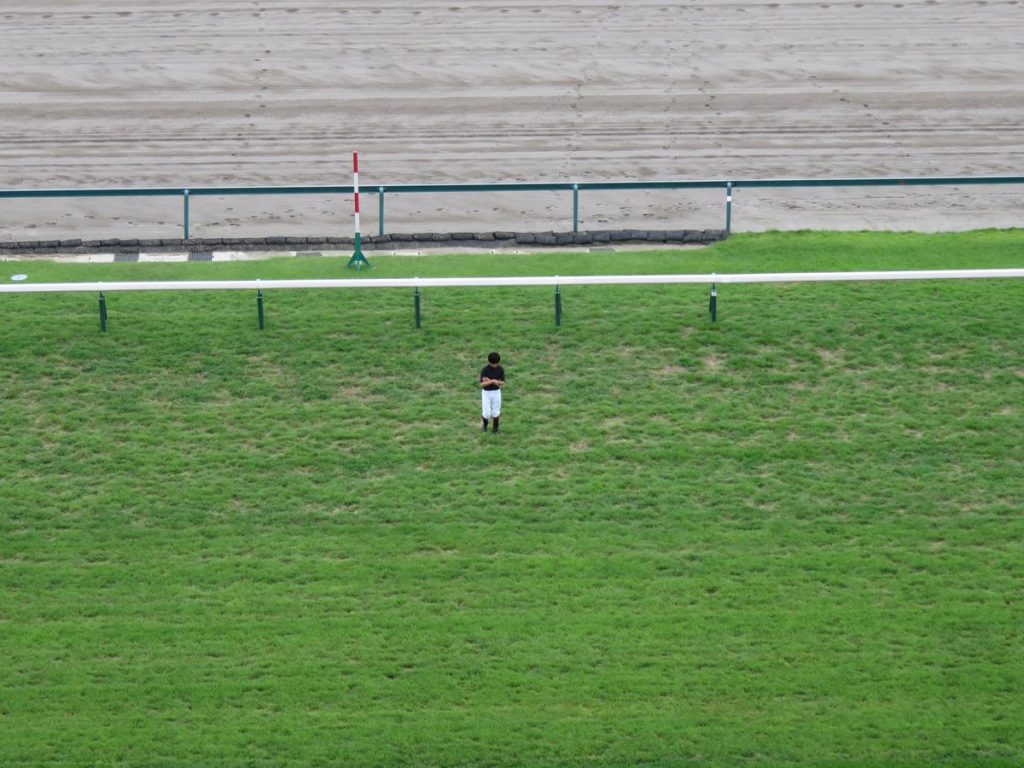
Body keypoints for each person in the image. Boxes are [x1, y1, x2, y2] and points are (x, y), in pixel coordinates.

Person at [479, 351, 505, 433]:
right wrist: (492, 381)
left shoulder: (500, 369)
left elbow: (502, 382)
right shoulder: (485, 370)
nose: (495, 365)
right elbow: (482, 383)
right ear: (489, 362)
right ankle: (485, 425)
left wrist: (494, 381)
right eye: (493, 364)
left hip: (496, 392)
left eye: (496, 364)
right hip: (486, 393)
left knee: (496, 411)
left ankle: (495, 428)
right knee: (486, 413)